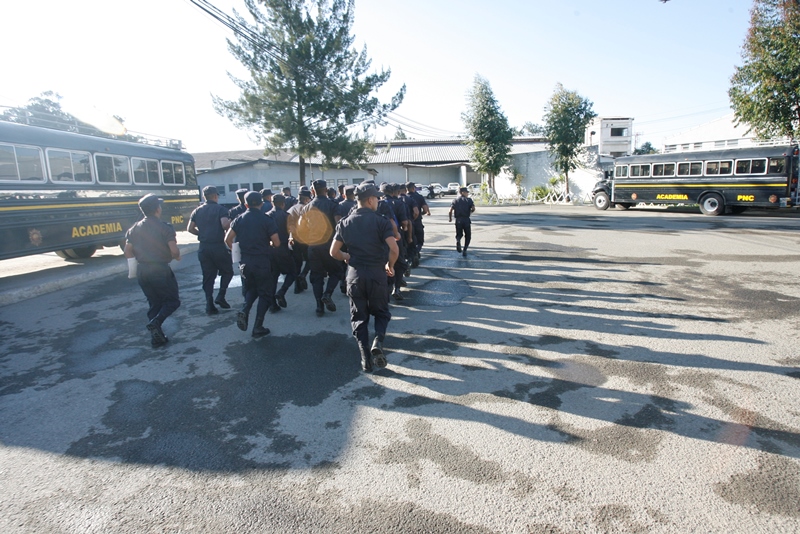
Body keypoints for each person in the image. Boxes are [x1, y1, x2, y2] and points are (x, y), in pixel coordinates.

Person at [330, 182, 399, 372]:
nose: (378, 200)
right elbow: (394, 248)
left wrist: (346, 256)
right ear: (369, 200)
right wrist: (390, 265)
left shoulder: (344, 222)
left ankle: (365, 358)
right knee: (381, 312)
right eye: (376, 197)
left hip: (355, 275)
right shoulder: (381, 221)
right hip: (377, 273)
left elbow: (333, 252)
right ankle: (378, 341)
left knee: (359, 317)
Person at [124, 194, 181, 347]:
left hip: (142, 270)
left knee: (154, 303)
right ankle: (156, 323)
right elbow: (174, 250)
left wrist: (133, 268)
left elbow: (127, 250)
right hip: (160, 269)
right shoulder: (165, 227)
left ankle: (157, 337)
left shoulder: (133, 229)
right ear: (157, 209)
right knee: (172, 301)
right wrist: (176, 256)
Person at [224, 192, 280, 337]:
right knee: (265, 294)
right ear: (261, 204)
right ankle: (258, 326)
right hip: (262, 261)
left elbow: (227, 239)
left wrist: (236, 251)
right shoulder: (266, 220)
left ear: (246, 204)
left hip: (245, 262)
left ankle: (245, 308)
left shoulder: (239, 219)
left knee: (251, 289)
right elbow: (277, 242)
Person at [299, 179, 343, 316]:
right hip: (329, 245)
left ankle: (319, 306)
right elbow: (339, 225)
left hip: (313, 246)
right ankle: (328, 293)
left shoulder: (306, 207)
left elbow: (301, 229)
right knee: (337, 272)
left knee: (316, 276)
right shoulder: (333, 205)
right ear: (326, 190)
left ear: (312, 191)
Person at [187, 186, 233, 315]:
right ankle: (221, 295)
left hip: (204, 247)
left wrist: (201, 234)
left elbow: (190, 228)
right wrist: (230, 225)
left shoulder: (197, 211)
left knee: (208, 277)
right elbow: (224, 224)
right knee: (227, 271)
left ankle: (209, 304)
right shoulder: (221, 209)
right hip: (218, 246)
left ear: (204, 196)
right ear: (215, 196)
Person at [266, 194, 296, 311]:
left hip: (270, 250)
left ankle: (272, 304)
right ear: (283, 204)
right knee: (292, 272)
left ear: (272, 203)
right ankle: (282, 291)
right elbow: (292, 231)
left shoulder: (267, 216)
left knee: (273, 276)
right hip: (283, 248)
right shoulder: (287, 216)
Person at [287, 188, 312, 293]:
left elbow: (289, 225)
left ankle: (297, 287)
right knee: (311, 259)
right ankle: (303, 274)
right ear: (306, 199)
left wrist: (291, 236)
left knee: (297, 263)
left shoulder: (291, 209)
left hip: (294, 239)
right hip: (306, 238)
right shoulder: (307, 208)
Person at [449, 187, 475, 257]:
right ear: (463, 192)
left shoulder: (455, 200)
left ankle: (458, 240)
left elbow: (450, 210)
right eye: (467, 192)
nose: (467, 193)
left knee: (459, 234)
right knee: (468, 235)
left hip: (458, 220)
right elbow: (473, 208)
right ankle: (465, 249)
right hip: (466, 219)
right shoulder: (469, 200)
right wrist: (470, 212)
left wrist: (450, 218)